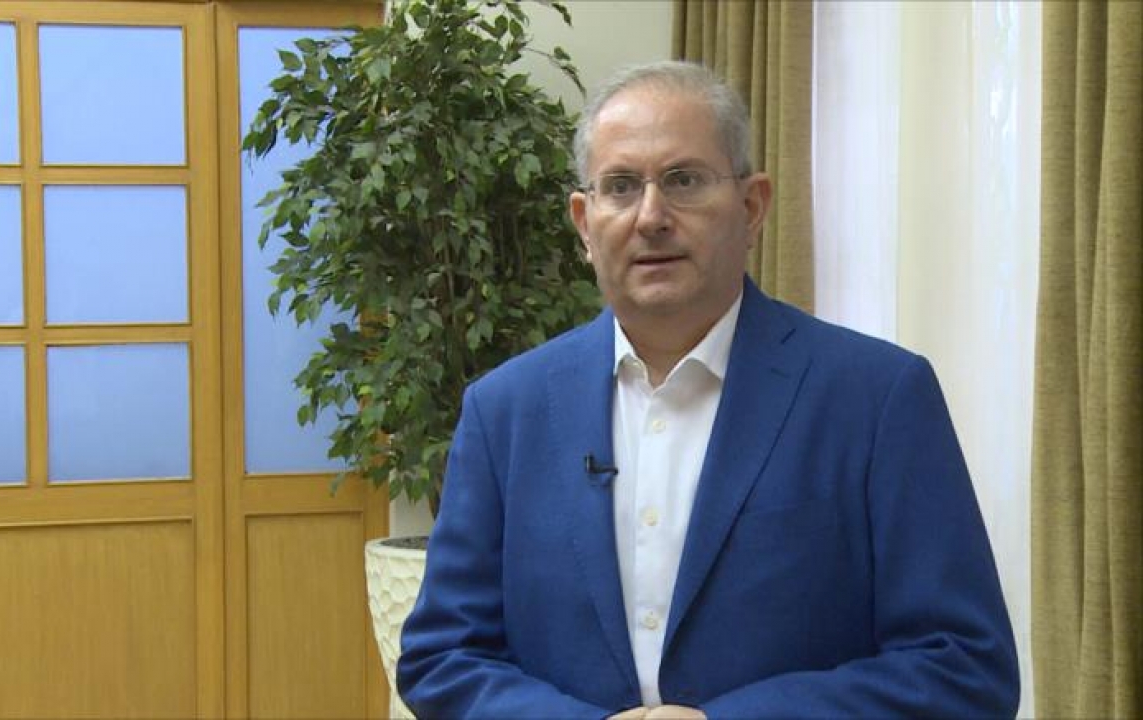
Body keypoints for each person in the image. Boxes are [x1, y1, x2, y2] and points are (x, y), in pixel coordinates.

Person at [397, 60, 1019, 719]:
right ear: (583, 222)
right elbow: (443, 656)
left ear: (752, 208)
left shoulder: (877, 397)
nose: (651, 216)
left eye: (684, 180)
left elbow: (963, 667)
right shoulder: (505, 411)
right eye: (620, 187)